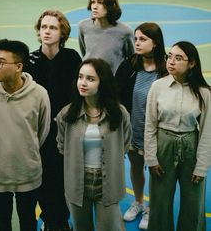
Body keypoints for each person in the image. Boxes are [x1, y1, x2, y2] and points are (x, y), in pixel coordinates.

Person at [0, 39, 51, 231]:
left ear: (18, 66)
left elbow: (42, 131)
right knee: (1, 223)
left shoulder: (39, 94)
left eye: (1, 62)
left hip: (29, 174)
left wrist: (27, 150)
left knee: (28, 222)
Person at [56, 58, 132, 231]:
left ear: (102, 83)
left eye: (90, 79)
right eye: (81, 77)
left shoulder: (119, 114)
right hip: (77, 182)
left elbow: (124, 144)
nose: (83, 83)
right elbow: (61, 145)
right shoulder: (67, 114)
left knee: (108, 227)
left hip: (108, 181)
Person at [144, 41, 211, 231]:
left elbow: (207, 132)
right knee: (159, 202)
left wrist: (201, 167)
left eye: (178, 58)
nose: (171, 61)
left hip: (192, 146)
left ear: (192, 64)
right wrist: (151, 158)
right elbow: (150, 125)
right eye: (169, 56)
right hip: (163, 145)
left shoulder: (205, 93)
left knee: (194, 204)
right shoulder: (158, 86)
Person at [26, 10, 81, 231]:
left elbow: (79, 94)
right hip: (38, 132)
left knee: (63, 179)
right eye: (44, 27)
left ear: (62, 33)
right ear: (39, 31)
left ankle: (60, 221)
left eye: (53, 27)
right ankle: (51, 220)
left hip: (66, 131)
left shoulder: (71, 58)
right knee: (43, 179)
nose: (47, 31)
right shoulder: (30, 60)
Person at [115, 22, 168, 230]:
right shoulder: (128, 65)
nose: (137, 43)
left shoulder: (166, 68)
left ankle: (151, 208)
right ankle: (138, 202)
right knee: (136, 167)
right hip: (134, 129)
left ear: (155, 43)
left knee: (156, 170)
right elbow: (117, 94)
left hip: (158, 132)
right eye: (135, 39)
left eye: (142, 39)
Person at [78, 0, 134, 74]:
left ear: (110, 5)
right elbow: (84, 51)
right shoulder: (83, 26)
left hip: (112, 81)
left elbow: (131, 59)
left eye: (100, 2)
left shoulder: (125, 31)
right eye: (93, 2)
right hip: (89, 79)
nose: (95, 6)